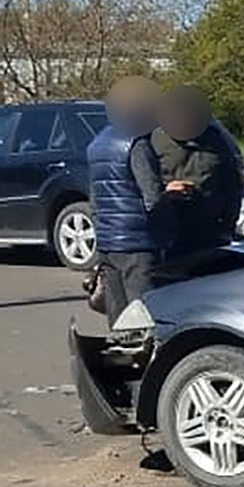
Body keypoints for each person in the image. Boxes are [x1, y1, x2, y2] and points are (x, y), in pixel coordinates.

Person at [87, 76, 172, 326]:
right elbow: (152, 197)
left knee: (118, 311)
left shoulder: (97, 143)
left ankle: (120, 348)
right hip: (137, 242)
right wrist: (168, 221)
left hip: (108, 241)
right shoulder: (137, 144)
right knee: (143, 311)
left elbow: (96, 198)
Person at [151, 85, 244, 257]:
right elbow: (140, 187)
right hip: (170, 236)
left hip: (210, 233)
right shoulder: (152, 142)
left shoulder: (215, 139)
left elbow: (233, 185)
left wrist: (227, 227)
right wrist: (165, 191)